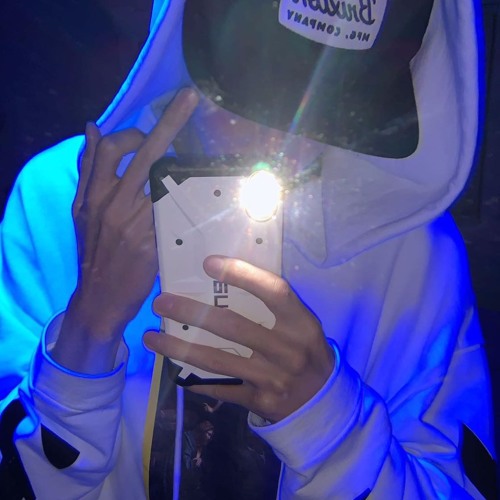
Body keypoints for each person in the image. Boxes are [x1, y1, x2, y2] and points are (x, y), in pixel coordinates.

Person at [0, 0, 496, 498]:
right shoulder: (64, 196)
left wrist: (328, 423)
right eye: (256, 80)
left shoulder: (413, 245)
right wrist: (88, 326)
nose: (286, 132)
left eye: (334, 99)